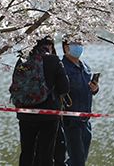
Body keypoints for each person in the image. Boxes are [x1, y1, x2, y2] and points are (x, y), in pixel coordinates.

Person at [17, 36, 69, 166]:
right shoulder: (53, 60)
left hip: (25, 112)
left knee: (27, 151)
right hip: (48, 115)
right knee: (46, 152)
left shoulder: (22, 59)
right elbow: (65, 87)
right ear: (49, 45)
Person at [61, 37, 99, 166]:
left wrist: (95, 88)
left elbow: (88, 89)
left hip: (85, 120)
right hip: (70, 121)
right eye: (75, 43)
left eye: (80, 43)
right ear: (66, 47)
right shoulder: (62, 67)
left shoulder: (85, 66)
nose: (79, 46)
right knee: (77, 161)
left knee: (81, 159)